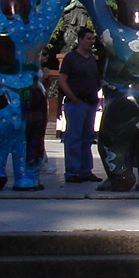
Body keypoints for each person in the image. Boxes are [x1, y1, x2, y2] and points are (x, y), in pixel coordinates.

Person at [57, 28, 103, 183]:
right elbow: (62, 80)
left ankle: (85, 171)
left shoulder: (92, 59)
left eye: (92, 39)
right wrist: (72, 97)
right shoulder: (71, 58)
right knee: (74, 138)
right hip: (76, 103)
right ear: (80, 39)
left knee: (87, 138)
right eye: (88, 38)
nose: (91, 41)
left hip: (90, 103)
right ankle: (72, 171)